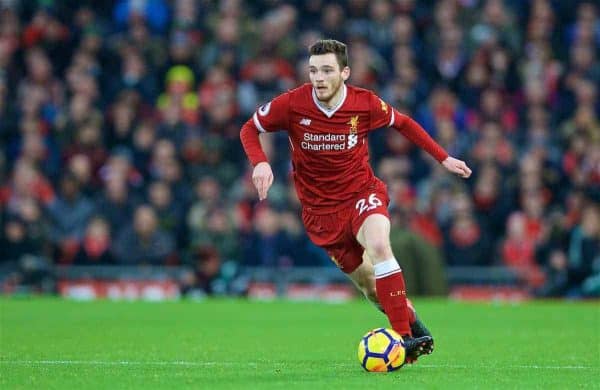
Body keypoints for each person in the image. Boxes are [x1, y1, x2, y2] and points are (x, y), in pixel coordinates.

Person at [239, 39, 472, 363]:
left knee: (379, 245)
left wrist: (443, 158)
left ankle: (403, 340)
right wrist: (260, 162)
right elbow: (250, 129)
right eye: (313, 71)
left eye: (327, 70)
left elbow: (403, 123)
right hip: (321, 213)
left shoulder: (364, 104)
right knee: (370, 287)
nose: (318, 78)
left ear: (345, 72)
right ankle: (414, 324)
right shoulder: (292, 104)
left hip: (362, 193)